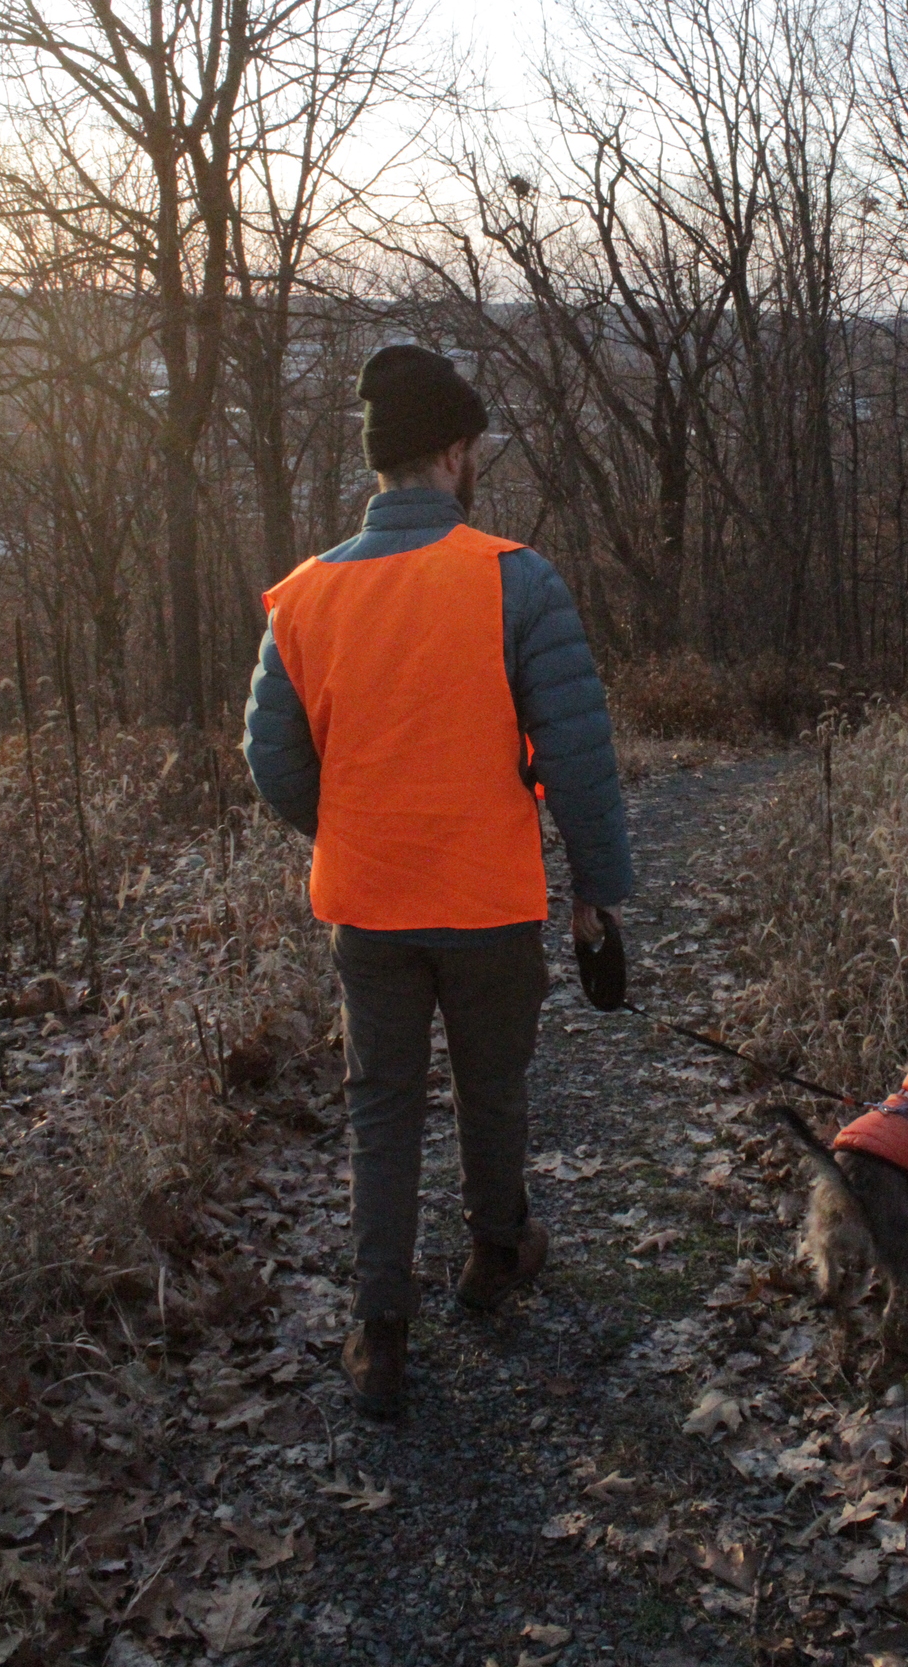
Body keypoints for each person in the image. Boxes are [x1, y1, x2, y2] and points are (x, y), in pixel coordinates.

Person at [242, 344, 633, 1418]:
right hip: (488, 899)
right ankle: (497, 1255)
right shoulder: (514, 577)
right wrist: (597, 886)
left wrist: (356, 826)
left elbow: (271, 758)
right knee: (490, 1085)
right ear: (454, 453)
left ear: (380, 463)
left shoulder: (307, 596)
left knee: (381, 1105)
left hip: (367, 903)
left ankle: (380, 1332)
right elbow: (576, 749)